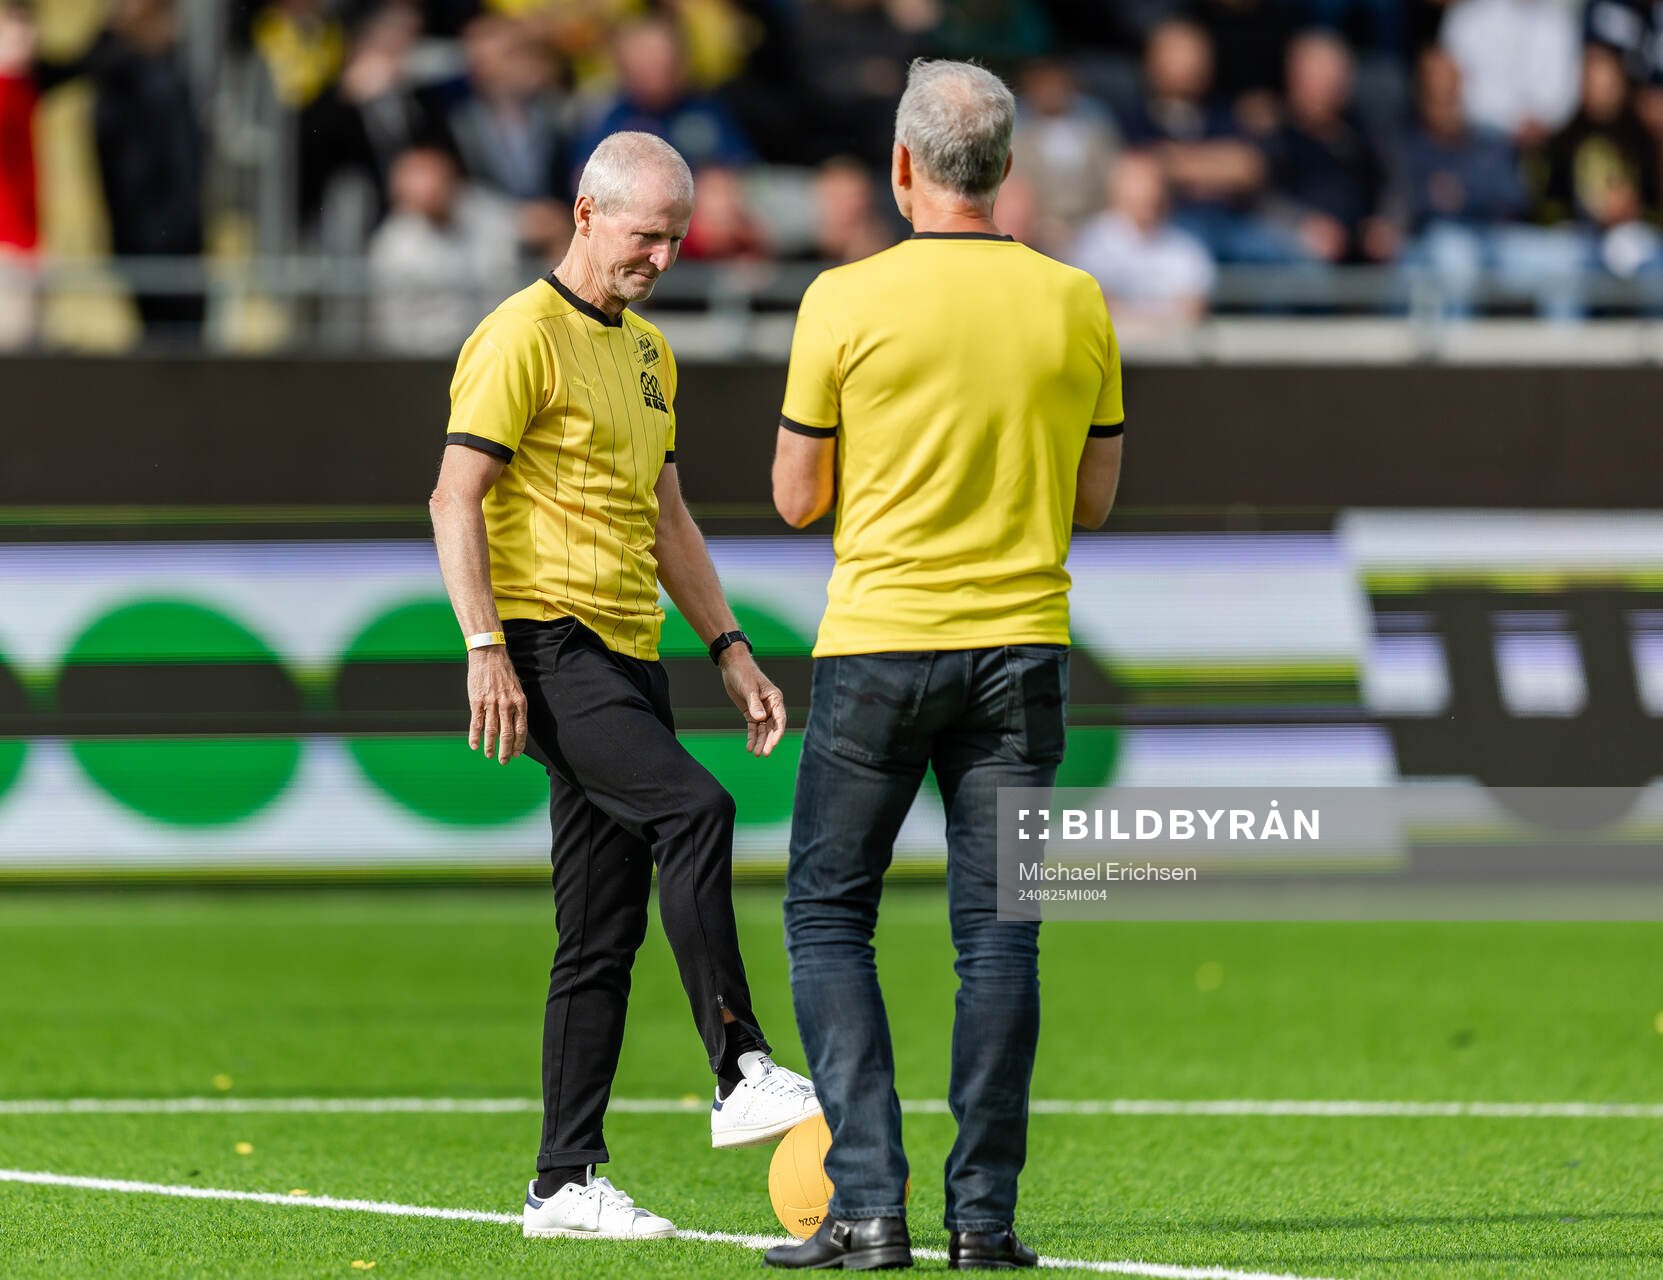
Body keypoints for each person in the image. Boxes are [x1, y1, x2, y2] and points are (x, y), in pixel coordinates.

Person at [763, 60, 1124, 1272]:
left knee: (825, 915)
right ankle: (985, 1220)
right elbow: (1099, 494)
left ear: (903, 166)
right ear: (1006, 169)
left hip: (878, 643)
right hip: (1020, 647)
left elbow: (796, 496)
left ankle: (866, 1207)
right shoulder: (1075, 299)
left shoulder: (842, 299)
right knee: (1000, 940)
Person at [428, 130, 820, 1243]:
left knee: (598, 928)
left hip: (628, 650)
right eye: (646, 234)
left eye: (676, 237)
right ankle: (740, 1062)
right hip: (548, 645)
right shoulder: (518, 335)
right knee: (696, 808)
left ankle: (562, 1182)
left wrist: (729, 644)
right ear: (585, 213)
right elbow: (454, 499)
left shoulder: (650, 351)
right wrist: (483, 645)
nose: (661, 255)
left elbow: (667, 516)